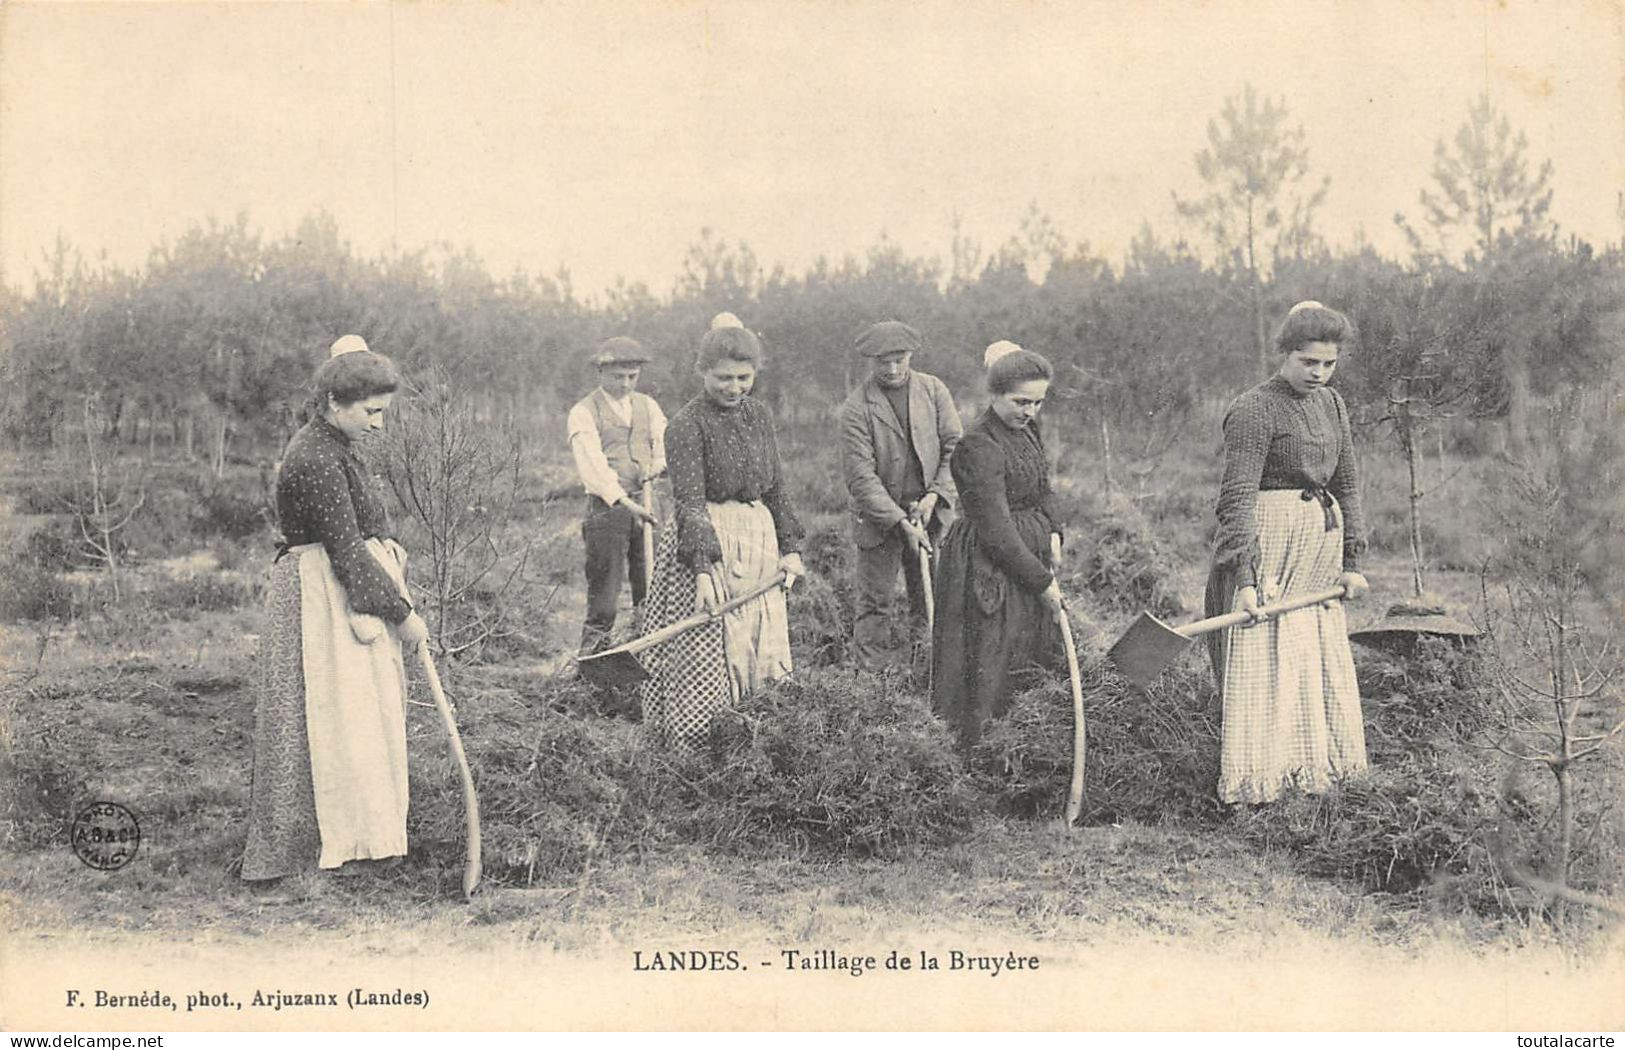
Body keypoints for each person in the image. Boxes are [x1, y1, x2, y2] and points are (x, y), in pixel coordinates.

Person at [240, 334, 431, 900]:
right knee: (322, 718)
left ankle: (354, 840)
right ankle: (314, 848)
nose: (378, 424)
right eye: (371, 413)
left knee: (349, 720)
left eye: (382, 412)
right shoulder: (316, 457)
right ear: (333, 404)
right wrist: (402, 614)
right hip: (321, 599)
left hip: (339, 591)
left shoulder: (337, 447)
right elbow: (346, 552)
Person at [1204, 300, 1371, 805]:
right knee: (1268, 656)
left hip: (1318, 552)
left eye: (1328, 363)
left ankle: (1314, 771)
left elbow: (1347, 483)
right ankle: (1264, 783)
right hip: (1270, 548)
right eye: (1308, 362)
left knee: (1311, 652)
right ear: (1285, 354)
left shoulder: (1332, 405)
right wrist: (1246, 579)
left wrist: (1352, 562)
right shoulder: (1255, 408)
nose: (1319, 373)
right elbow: (1236, 498)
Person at [639, 314, 806, 749]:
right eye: (723, 378)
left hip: (758, 538)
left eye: (743, 378)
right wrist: (701, 569)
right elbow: (690, 502)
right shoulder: (685, 426)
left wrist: (790, 548)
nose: (734, 388)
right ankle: (710, 741)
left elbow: (777, 486)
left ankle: (763, 733)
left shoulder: (759, 415)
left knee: (760, 639)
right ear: (702, 372)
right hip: (708, 539)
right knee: (709, 642)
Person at [931, 341, 1065, 749]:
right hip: (987, 565)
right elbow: (995, 529)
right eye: (1020, 401)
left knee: (1030, 650)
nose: (1029, 412)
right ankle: (982, 750)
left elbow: (1043, 487)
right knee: (991, 655)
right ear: (994, 394)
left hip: (1027, 559)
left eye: (1038, 403)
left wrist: (1055, 532)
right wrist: (1042, 582)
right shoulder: (977, 445)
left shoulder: (1028, 432)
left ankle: (1023, 746)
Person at [839, 320, 963, 672]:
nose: (892, 369)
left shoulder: (933, 391)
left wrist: (935, 496)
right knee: (875, 603)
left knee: (933, 597)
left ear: (910, 355)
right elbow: (861, 478)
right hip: (880, 521)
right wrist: (898, 520)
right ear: (870, 361)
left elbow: (956, 448)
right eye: (883, 362)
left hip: (931, 514)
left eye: (899, 359)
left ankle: (930, 668)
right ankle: (873, 682)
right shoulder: (856, 407)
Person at [567, 336, 667, 658]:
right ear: (600, 372)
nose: (625, 384)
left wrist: (657, 465)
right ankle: (592, 665)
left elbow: (663, 443)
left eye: (632, 377)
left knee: (651, 589)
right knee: (605, 599)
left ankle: (649, 658)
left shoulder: (648, 407)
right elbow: (592, 467)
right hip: (607, 510)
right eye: (617, 377)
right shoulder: (583, 412)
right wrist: (624, 501)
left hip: (650, 508)